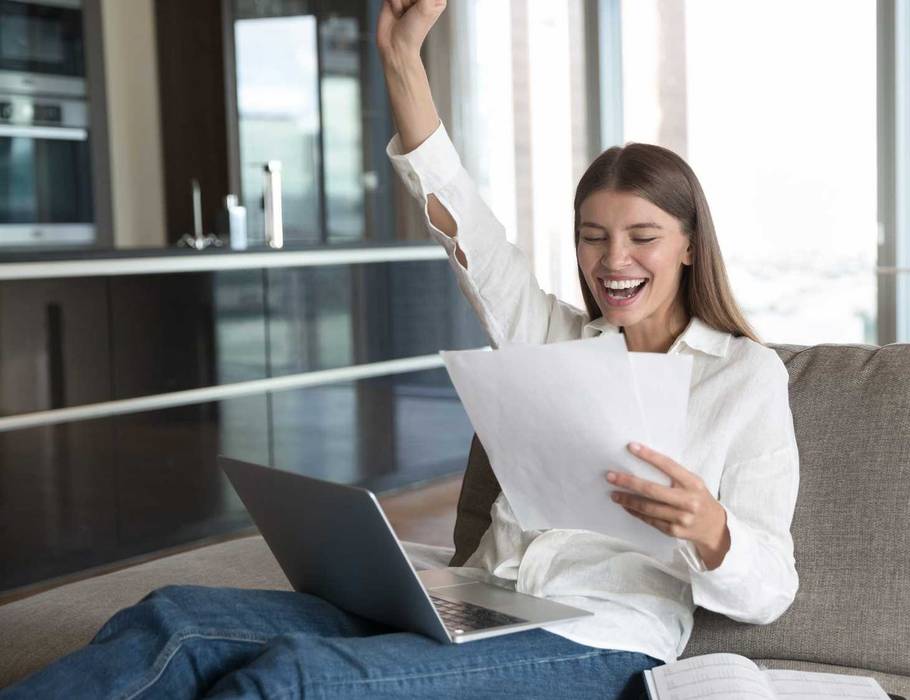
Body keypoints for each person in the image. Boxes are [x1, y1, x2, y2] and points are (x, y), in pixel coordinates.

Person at [0, 1, 798, 697]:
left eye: (642, 237)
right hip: (483, 600)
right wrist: (400, 58)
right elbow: (468, 231)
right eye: (593, 237)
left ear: (690, 245)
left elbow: (771, 588)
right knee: (171, 621)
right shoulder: (555, 338)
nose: (613, 260)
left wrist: (710, 527)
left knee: (292, 679)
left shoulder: (742, 376)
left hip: (603, 642)